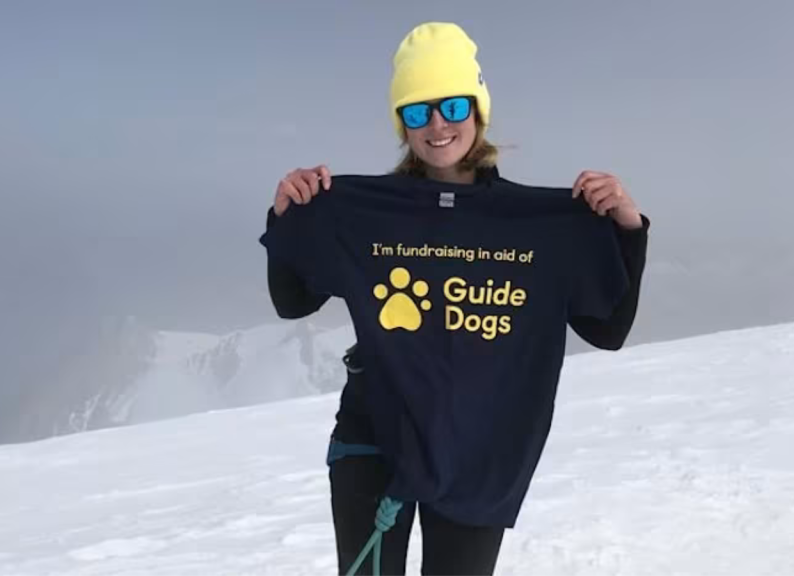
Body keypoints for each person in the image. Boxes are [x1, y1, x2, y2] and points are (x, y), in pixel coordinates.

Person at [261, 22, 649, 576]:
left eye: (452, 105)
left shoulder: (541, 226)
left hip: (480, 449)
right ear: (403, 125)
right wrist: (287, 215)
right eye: (417, 112)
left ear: (478, 108)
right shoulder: (364, 213)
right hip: (375, 439)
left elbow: (608, 330)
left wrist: (626, 231)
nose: (437, 125)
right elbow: (293, 302)